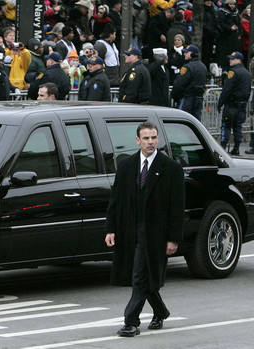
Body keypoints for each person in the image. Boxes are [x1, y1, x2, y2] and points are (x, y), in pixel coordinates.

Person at [105, 121, 184, 337]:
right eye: (146, 138)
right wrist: (110, 229)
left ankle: (131, 321)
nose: (151, 142)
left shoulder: (171, 169)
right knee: (141, 273)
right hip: (129, 230)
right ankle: (160, 311)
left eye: (154, 137)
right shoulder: (126, 166)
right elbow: (116, 200)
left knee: (140, 275)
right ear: (138, 141)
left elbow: (177, 207)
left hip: (155, 233)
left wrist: (173, 238)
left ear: (158, 139)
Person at [217, 51, 251, 155]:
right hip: (242, 104)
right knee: (238, 126)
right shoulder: (246, 72)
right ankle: (236, 147)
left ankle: (223, 147)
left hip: (232, 104)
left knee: (226, 125)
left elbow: (227, 89)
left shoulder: (233, 72)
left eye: (232, 59)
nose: (230, 60)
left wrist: (220, 102)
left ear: (239, 60)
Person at [172, 44, 207, 120]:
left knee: (182, 120)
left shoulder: (187, 67)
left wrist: (174, 96)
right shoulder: (203, 66)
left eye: (186, 52)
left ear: (192, 54)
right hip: (199, 98)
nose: (184, 54)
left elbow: (179, 84)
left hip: (188, 98)